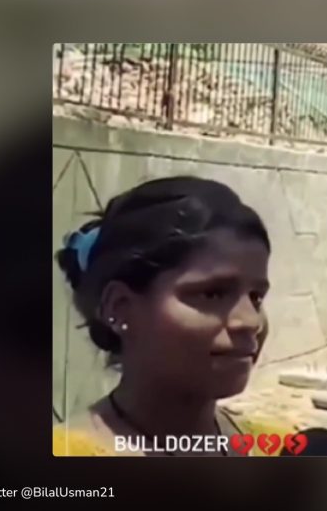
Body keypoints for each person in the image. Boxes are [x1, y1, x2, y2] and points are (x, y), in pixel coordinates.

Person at [53, 176, 282, 456]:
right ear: (120, 307)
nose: (251, 322)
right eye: (212, 294)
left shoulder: (280, 446)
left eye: (256, 297)